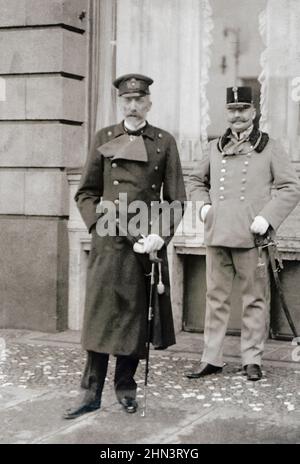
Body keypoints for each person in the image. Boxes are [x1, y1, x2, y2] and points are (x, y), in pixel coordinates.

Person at [64, 73, 186, 419]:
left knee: (134, 319)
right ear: (121, 102)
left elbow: (176, 198)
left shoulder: (164, 141)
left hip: (144, 244)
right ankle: (89, 394)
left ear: (149, 102)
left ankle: (126, 388)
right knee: (100, 318)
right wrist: (98, 223)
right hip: (108, 243)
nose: (133, 106)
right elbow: (86, 192)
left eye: (139, 100)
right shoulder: (104, 138)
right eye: (127, 100)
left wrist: (160, 235)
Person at [185, 86, 300, 382]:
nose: (237, 116)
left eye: (243, 109)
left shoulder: (269, 146)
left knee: (255, 299)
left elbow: (290, 187)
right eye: (232, 110)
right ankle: (211, 357)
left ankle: (252, 359)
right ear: (226, 113)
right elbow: (196, 181)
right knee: (215, 298)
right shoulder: (214, 147)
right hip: (218, 233)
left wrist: (267, 217)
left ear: (254, 112)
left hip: (252, 237)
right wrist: (203, 209)